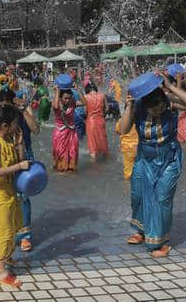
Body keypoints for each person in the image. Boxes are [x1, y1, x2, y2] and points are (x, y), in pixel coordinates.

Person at [120, 73, 186, 258]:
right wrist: (130, 106)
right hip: (144, 158)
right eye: (153, 109)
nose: (158, 111)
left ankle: (160, 241)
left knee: (162, 198)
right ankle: (141, 230)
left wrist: (171, 87)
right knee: (138, 194)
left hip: (169, 159)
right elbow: (124, 130)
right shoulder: (138, 107)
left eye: (160, 108)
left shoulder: (170, 102)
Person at [0, 105, 29, 289]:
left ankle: (6, 257)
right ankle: (0, 271)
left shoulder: (8, 138)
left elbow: (20, 160)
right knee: (2, 231)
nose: (16, 126)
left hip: (10, 192)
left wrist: (19, 143)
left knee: (12, 227)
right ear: (4, 125)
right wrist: (20, 167)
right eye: (14, 124)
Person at [78, 83, 109, 162]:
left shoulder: (86, 97)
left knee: (92, 147)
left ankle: (94, 167)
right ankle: (106, 161)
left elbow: (85, 111)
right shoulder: (102, 95)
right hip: (101, 120)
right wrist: (102, 115)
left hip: (91, 122)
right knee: (103, 142)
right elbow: (107, 109)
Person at [52, 86, 79, 173]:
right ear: (61, 97)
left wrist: (78, 90)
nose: (67, 100)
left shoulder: (72, 104)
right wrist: (57, 91)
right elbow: (56, 106)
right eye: (65, 98)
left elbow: (84, 102)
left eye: (69, 98)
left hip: (71, 133)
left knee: (73, 151)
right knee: (61, 153)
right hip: (60, 134)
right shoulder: (56, 104)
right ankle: (61, 168)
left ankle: (71, 169)